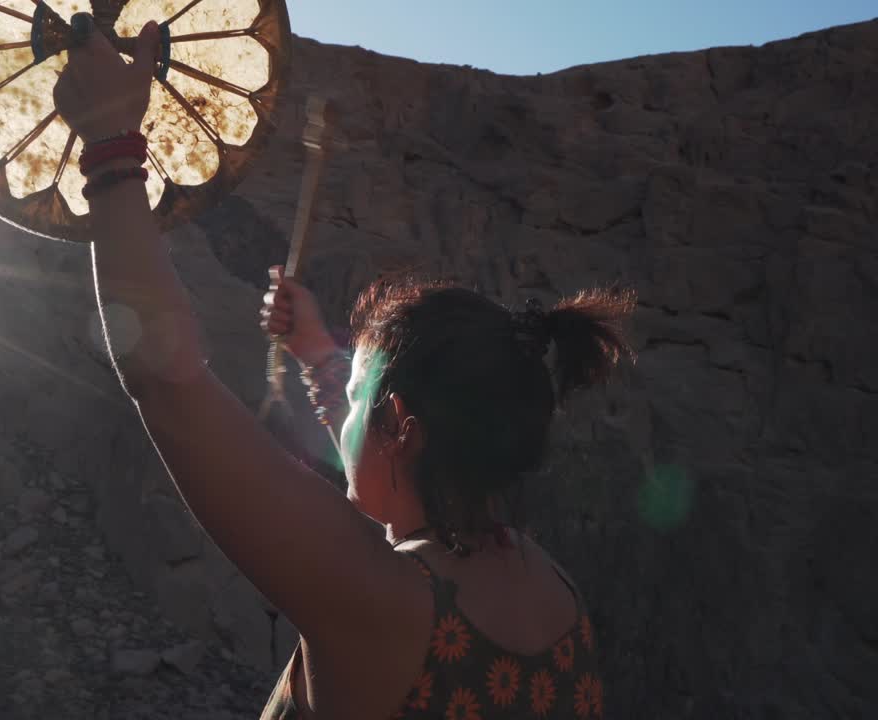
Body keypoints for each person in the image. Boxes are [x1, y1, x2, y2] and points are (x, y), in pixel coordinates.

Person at [54, 20, 634, 720]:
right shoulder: (552, 589)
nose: (339, 411)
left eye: (356, 398)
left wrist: (111, 149)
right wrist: (318, 358)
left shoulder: (382, 604)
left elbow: (165, 383)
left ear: (400, 428)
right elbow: (382, 457)